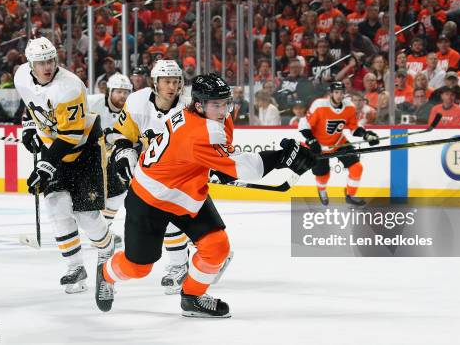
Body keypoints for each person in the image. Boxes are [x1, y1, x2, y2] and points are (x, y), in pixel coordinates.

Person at [96, 73, 315, 317]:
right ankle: (106, 273)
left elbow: (222, 156)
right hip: (151, 197)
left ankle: (192, 297)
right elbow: (246, 168)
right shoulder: (201, 130)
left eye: (225, 103)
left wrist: (220, 167)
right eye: (216, 105)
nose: (223, 110)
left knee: (216, 246)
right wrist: (282, 157)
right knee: (138, 267)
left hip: (187, 191)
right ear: (199, 105)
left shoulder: (204, 116)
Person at [15, 37, 115, 294]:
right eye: (41, 62)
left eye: (50, 60)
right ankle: (75, 267)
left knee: (87, 217)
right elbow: (30, 105)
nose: (47, 66)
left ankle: (107, 248)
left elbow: (70, 136)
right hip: (55, 150)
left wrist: (45, 166)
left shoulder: (69, 87)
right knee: (56, 206)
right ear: (30, 65)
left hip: (84, 152)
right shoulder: (21, 77)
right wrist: (28, 128)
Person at [106, 59, 195, 295]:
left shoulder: (189, 107)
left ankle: (181, 264)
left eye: (176, 81)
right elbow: (122, 135)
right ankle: (187, 262)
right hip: (153, 173)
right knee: (166, 219)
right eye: (166, 81)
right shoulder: (137, 101)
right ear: (155, 83)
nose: (172, 86)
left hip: (183, 172)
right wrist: (125, 151)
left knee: (175, 218)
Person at [299, 81, 379, 206]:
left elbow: (354, 128)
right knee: (322, 175)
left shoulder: (349, 107)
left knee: (357, 168)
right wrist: (311, 140)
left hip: (339, 143)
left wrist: (366, 135)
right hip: (319, 145)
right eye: (336, 92)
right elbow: (304, 124)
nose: (339, 95)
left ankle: (351, 195)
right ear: (331, 93)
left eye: (342, 92)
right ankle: (322, 190)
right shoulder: (319, 105)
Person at [87, 73, 132, 239]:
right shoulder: (93, 102)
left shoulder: (131, 110)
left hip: (111, 159)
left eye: (126, 92)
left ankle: (104, 231)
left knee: (118, 194)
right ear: (110, 91)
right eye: (119, 91)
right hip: (87, 156)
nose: (123, 95)